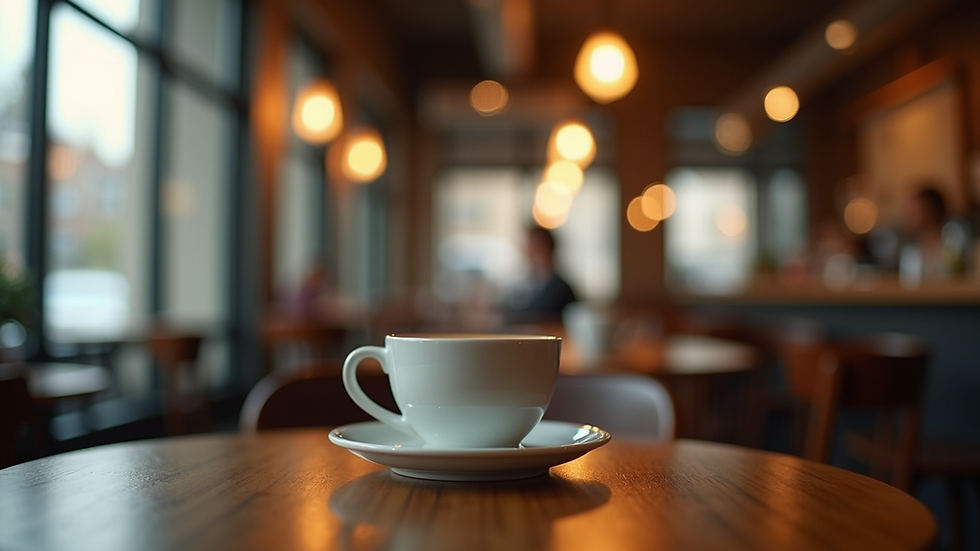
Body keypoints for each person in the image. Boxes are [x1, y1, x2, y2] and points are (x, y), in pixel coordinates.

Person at [506, 227, 577, 323]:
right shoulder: (531, 285)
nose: (528, 253)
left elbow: (543, 320)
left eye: (533, 248)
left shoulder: (561, 290)